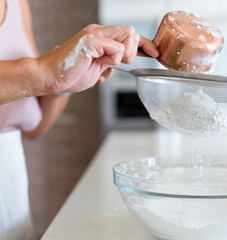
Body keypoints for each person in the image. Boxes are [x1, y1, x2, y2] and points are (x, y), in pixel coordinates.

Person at [0, 0, 159, 239]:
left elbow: (35, 125)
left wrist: (63, 79)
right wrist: (45, 70)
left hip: (11, 193)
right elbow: (39, 73)